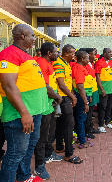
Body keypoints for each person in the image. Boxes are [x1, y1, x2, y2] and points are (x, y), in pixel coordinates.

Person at [0, 24, 48, 182]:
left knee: (28, 149)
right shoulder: (9, 54)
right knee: (15, 153)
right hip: (19, 114)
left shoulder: (26, 55)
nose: (34, 39)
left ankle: (24, 176)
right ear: (22, 36)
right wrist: (24, 113)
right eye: (32, 36)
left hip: (34, 112)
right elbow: (8, 85)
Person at [34, 42, 63, 180]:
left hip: (50, 104)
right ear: (49, 53)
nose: (58, 54)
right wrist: (58, 97)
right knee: (41, 136)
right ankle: (39, 166)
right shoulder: (41, 63)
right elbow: (46, 86)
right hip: (44, 105)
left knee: (49, 133)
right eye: (56, 52)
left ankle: (48, 154)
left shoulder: (48, 63)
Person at [53, 44, 83, 164]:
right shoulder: (59, 63)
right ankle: (69, 154)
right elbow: (61, 84)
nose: (74, 55)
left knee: (60, 124)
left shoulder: (66, 64)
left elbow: (68, 82)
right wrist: (72, 97)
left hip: (65, 97)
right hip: (62, 98)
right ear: (66, 53)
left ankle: (60, 147)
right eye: (72, 53)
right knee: (68, 125)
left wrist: (71, 95)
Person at [72, 51, 94, 148]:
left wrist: (88, 96)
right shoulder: (78, 68)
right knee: (81, 118)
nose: (88, 60)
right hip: (80, 97)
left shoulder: (82, 68)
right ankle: (82, 141)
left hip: (84, 96)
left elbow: (86, 85)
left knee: (82, 118)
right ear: (82, 59)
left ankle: (80, 137)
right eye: (87, 58)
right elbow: (80, 87)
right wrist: (85, 102)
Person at [95, 48, 112, 132]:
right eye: (109, 52)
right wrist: (102, 89)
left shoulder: (111, 63)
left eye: (111, 52)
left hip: (111, 89)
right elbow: (97, 76)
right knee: (102, 107)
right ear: (104, 53)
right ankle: (101, 124)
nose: (111, 54)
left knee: (109, 106)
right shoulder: (99, 62)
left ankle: (107, 122)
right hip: (104, 89)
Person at [82, 48, 100, 138]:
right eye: (93, 54)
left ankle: (90, 127)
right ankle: (87, 130)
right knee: (88, 112)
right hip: (89, 91)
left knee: (91, 111)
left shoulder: (92, 64)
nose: (95, 56)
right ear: (88, 54)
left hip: (94, 90)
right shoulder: (85, 66)